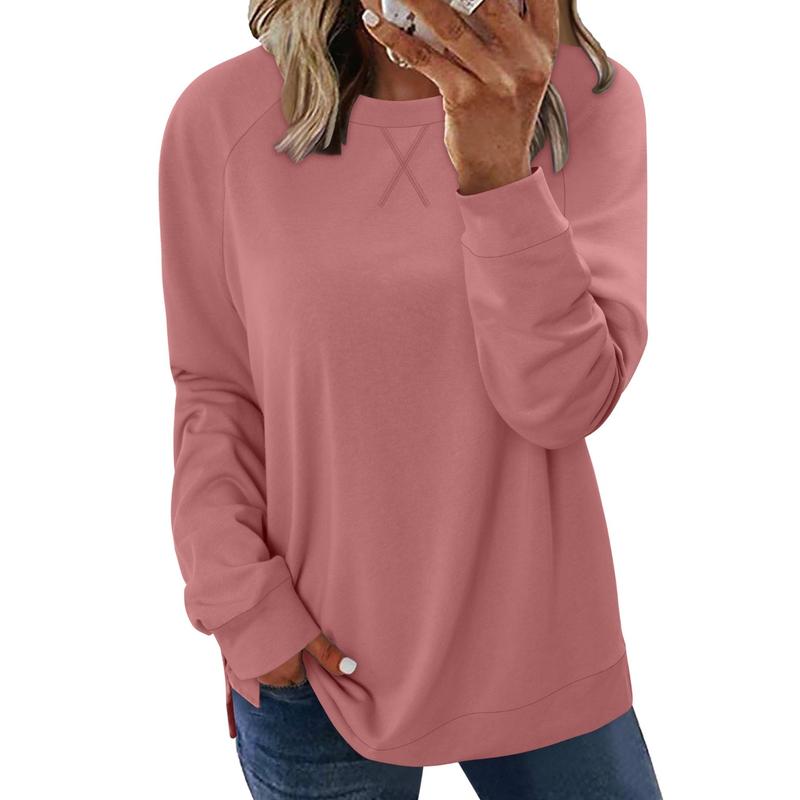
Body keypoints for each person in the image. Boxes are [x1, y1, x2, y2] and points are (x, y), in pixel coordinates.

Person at [158, 0, 662, 796]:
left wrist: (499, 175)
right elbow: (216, 389)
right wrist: (247, 608)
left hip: (541, 648)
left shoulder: (586, 99)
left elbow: (563, 403)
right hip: (319, 659)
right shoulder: (224, 117)